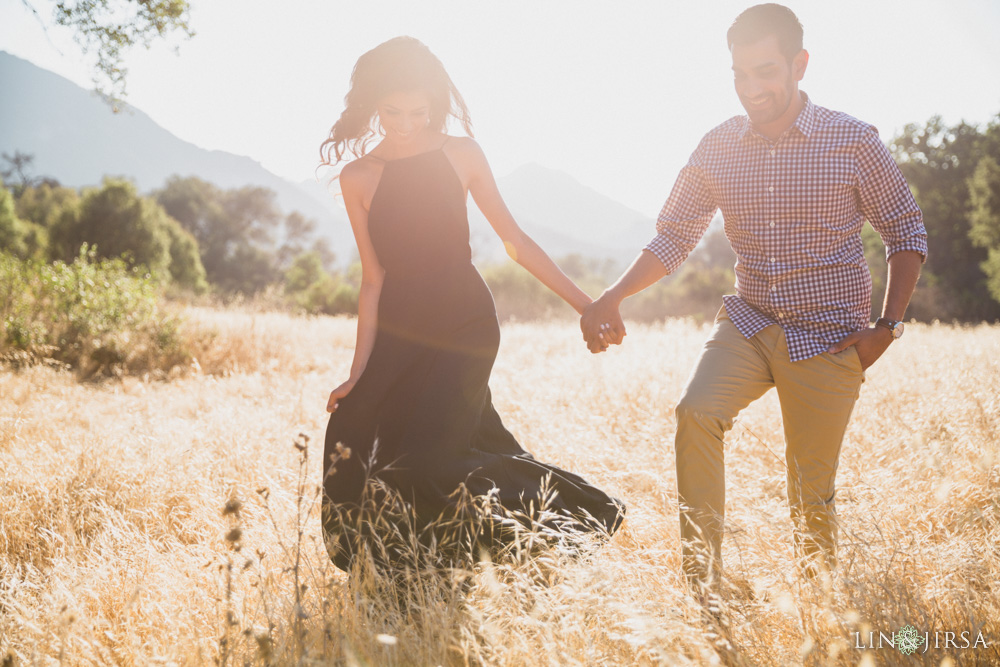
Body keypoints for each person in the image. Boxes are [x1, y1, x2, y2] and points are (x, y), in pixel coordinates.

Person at [581, 3, 927, 595]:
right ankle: (704, 587)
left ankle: (822, 613)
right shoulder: (717, 146)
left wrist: (886, 327)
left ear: (800, 64)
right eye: (740, 74)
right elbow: (674, 235)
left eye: (765, 71)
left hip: (828, 334)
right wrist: (613, 295)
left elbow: (907, 233)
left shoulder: (852, 140)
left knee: (809, 491)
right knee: (695, 413)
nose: (751, 88)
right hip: (749, 319)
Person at [318, 36, 624, 573]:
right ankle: (398, 569)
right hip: (400, 324)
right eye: (392, 111)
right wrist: (358, 374)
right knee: (356, 425)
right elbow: (373, 279)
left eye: (419, 111)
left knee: (432, 457)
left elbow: (516, 242)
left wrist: (585, 303)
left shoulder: (461, 154)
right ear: (371, 103)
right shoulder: (359, 176)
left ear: (435, 101)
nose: (407, 123)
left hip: (463, 319)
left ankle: (577, 516)